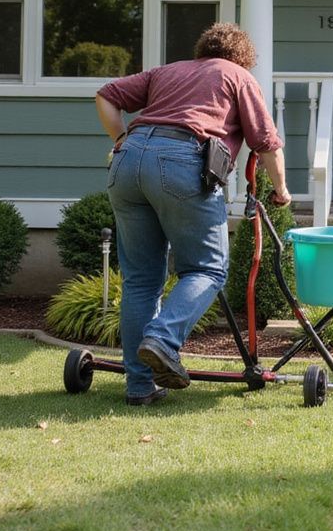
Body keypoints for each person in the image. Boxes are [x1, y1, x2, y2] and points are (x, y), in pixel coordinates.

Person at [95, 22, 290, 405]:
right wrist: (281, 190)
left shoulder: (166, 71)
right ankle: (163, 339)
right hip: (181, 162)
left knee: (139, 281)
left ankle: (140, 386)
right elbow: (266, 143)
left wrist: (120, 139)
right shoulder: (238, 76)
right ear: (243, 57)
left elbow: (105, 96)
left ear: (203, 49)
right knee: (209, 269)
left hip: (127, 162)